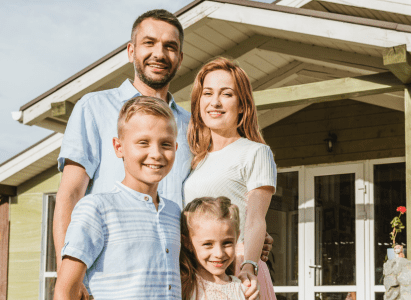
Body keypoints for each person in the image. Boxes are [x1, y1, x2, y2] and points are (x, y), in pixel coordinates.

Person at [53, 9, 270, 298]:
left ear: (180, 57)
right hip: (110, 282)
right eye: (149, 43)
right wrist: (68, 273)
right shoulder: (93, 108)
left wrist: (247, 237)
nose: (159, 53)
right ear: (131, 51)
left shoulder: (192, 125)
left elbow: (209, 190)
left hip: (175, 281)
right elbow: (69, 196)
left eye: (170, 47)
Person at [53, 96, 182, 299]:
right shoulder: (97, 208)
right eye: (143, 143)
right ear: (118, 147)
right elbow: (65, 290)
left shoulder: (174, 213)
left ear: (175, 148)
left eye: (165, 144)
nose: (156, 153)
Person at [183, 57, 277, 300]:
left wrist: (248, 267)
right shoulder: (195, 159)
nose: (215, 102)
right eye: (207, 93)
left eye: (226, 94)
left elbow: (256, 220)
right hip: (197, 273)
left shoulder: (255, 152)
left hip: (236, 270)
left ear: (242, 105)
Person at [180, 197, 247, 300]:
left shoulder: (244, 290)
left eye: (227, 243)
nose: (219, 254)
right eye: (208, 244)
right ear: (187, 242)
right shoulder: (183, 287)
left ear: (237, 238)